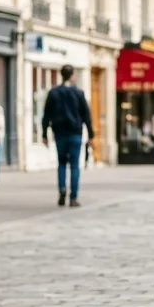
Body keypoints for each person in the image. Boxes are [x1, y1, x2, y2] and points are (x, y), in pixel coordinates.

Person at [41, 64, 94, 207]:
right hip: (75, 133)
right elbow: (86, 115)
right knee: (75, 166)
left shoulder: (54, 93)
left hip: (59, 133)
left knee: (62, 164)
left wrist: (44, 133)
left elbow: (46, 114)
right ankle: (73, 197)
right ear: (72, 75)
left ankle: (62, 189)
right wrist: (90, 134)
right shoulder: (78, 93)